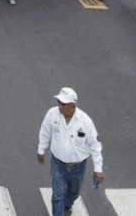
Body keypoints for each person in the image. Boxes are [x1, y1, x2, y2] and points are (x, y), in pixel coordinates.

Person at [36, 86, 104, 216]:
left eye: (63, 104)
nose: (60, 106)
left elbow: (95, 145)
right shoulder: (52, 114)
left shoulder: (85, 121)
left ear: (72, 105)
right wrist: (41, 150)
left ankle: (67, 205)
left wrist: (98, 169)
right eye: (59, 103)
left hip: (78, 166)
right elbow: (45, 132)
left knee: (74, 192)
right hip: (58, 163)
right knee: (57, 195)